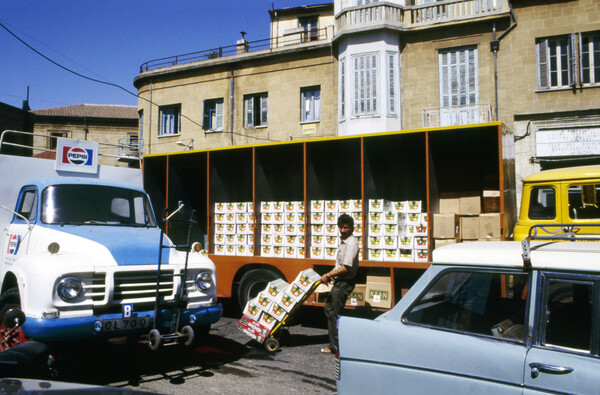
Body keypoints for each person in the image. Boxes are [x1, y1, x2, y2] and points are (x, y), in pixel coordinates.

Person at [320, 213, 359, 354]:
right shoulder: (343, 242)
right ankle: (338, 341)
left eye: (346, 228)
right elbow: (339, 265)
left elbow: (346, 267)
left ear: (352, 228)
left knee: (332, 312)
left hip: (345, 282)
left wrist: (328, 275)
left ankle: (335, 347)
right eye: (341, 227)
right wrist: (330, 275)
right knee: (329, 308)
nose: (343, 230)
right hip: (340, 281)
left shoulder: (351, 243)